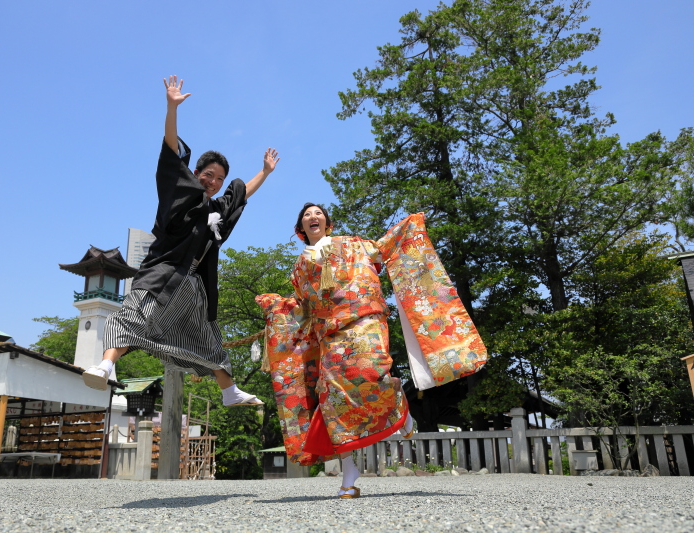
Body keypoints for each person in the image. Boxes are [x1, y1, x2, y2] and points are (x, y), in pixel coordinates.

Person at [256, 203, 487, 499]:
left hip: (364, 317)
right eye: (306, 215)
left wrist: (408, 226)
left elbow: (382, 249)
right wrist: (279, 308)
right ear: (300, 228)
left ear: (328, 222)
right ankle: (349, 473)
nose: (313, 217)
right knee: (332, 396)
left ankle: (399, 410)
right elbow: (303, 309)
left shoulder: (352, 244)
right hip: (330, 333)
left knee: (371, 371)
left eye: (318, 213)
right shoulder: (299, 267)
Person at [82, 75, 279, 408]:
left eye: (218, 178)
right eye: (208, 174)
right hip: (162, 273)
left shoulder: (215, 209)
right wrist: (171, 108)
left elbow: (240, 196)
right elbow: (172, 152)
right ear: (197, 172)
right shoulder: (181, 190)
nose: (213, 182)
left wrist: (266, 172)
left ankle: (229, 391)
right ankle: (106, 366)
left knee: (207, 336)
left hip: (193, 283)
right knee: (134, 317)